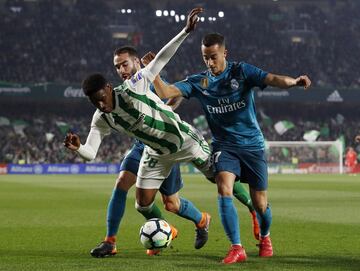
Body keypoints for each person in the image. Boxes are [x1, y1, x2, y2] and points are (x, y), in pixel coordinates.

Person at [64, 7, 212, 258]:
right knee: (132, 192)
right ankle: (111, 241)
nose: (100, 105)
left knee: (174, 202)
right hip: (147, 149)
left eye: (101, 98)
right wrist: (78, 147)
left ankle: (208, 219)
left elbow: (161, 60)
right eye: (94, 102)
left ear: (109, 89)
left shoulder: (135, 85)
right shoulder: (101, 117)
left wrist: (185, 31)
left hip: (175, 141)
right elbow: (90, 152)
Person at [151, 32, 311, 264]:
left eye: (213, 57)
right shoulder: (199, 81)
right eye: (205, 57)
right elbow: (166, 92)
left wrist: (295, 82)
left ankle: (265, 237)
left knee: (260, 204)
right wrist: (153, 70)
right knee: (224, 189)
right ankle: (237, 247)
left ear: (224, 53)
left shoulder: (242, 72)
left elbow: (273, 78)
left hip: (252, 146)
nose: (209, 62)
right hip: (224, 146)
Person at [87, 46, 185, 258]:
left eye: (125, 64)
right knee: (123, 182)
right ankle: (110, 241)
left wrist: (162, 114)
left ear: (138, 63)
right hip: (141, 145)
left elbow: (176, 97)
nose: (122, 69)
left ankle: (202, 220)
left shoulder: (147, 78)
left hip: (163, 143)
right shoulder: (119, 92)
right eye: (118, 67)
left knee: (172, 203)